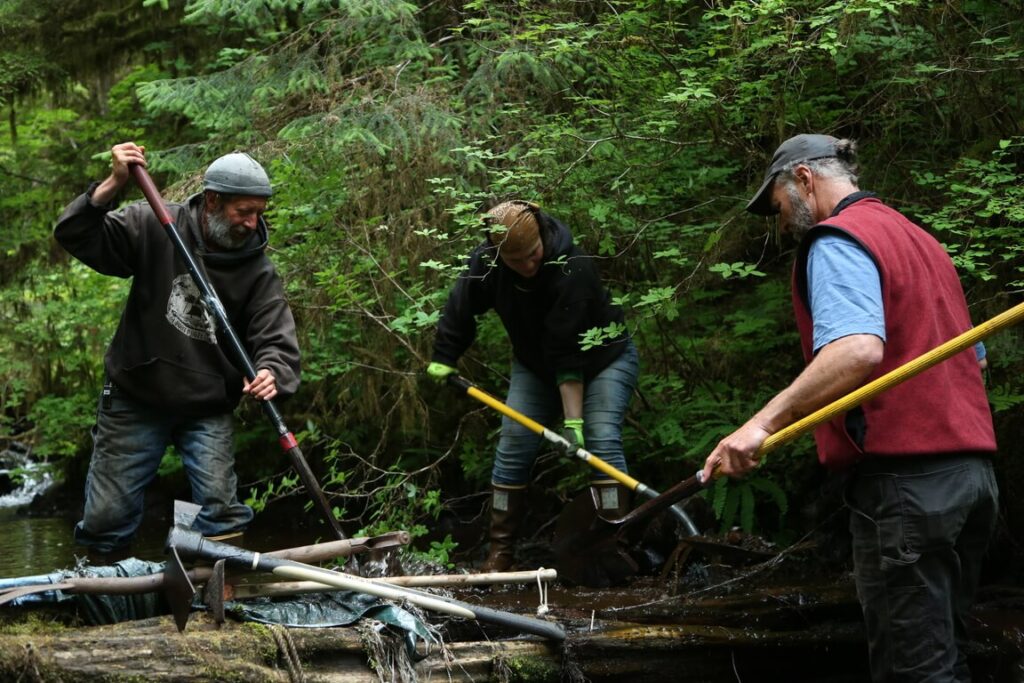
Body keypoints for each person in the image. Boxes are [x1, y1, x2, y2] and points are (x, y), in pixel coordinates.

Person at [702, 134, 998, 682]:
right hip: (972, 481)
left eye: (779, 205)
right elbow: (973, 362)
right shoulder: (921, 240)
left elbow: (857, 349)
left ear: (805, 179)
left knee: (916, 673)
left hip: (908, 486)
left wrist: (760, 424)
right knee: (950, 659)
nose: (781, 222)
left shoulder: (839, 239)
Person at [55, 142, 301, 562]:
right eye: (243, 211)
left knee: (220, 510)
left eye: (259, 212)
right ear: (212, 200)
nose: (252, 222)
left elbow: (275, 336)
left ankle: (215, 588)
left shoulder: (258, 271)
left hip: (207, 404)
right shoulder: (154, 224)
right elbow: (77, 234)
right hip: (136, 393)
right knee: (107, 517)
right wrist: (113, 183)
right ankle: (103, 588)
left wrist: (271, 371)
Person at [427, 200, 640, 572]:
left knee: (601, 438)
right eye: (516, 261)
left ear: (541, 235)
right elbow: (461, 305)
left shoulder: (572, 266)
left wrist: (573, 423)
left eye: (533, 255)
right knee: (513, 442)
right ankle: (500, 552)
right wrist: (445, 356)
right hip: (536, 366)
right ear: (498, 254)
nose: (527, 266)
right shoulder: (487, 263)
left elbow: (568, 352)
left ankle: (614, 543)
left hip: (603, 360)